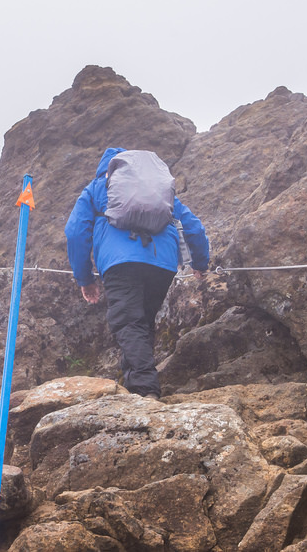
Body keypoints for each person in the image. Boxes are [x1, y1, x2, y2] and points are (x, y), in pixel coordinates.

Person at [64, 147, 210, 399]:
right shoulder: (158, 191)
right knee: (141, 322)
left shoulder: (98, 188)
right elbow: (193, 226)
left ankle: (145, 390)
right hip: (162, 263)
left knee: (128, 322)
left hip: (120, 263)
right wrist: (201, 262)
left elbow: (75, 232)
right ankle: (135, 383)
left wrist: (85, 279)